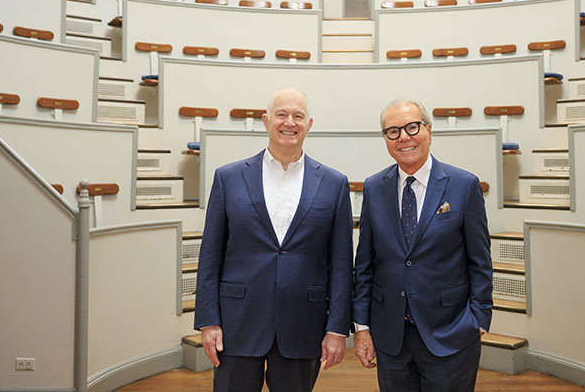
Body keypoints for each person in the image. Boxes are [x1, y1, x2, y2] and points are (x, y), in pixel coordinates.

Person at [194, 87, 353, 392]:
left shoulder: (334, 184)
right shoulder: (228, 178)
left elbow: (341, 263)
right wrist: (208, 321)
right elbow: (211, 255)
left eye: (298, 116)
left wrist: (337, 329)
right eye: (281, 114)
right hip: (236, 324)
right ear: (266, 120)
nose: (289, 122)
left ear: (309, 124)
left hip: (303, 325)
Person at [352, 98, 493, 392]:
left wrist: (478, 318)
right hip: (391, 337)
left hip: (451, 334)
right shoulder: (375, 187)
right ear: (385, 139)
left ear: (429, 131)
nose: (403, 137)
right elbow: (365, 263)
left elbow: (479, 260)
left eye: (412, 127)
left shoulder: (463, 185)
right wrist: (362, 328)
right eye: (393, 131)